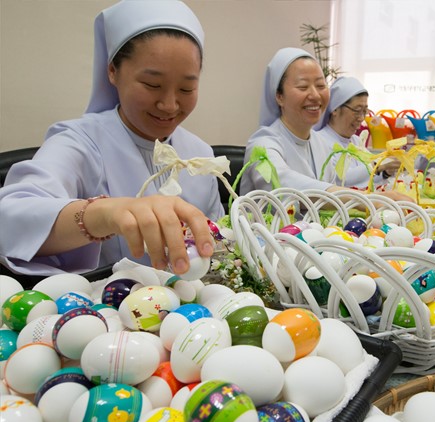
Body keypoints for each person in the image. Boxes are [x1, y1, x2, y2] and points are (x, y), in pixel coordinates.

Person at [0, 0, 222, 277]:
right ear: (113, 71)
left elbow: (217, 240)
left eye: (187, 89)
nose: (169, 105)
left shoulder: (200, 153)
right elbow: (11, 216)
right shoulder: (80, 141)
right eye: (152, 84)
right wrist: (105, 214)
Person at [240, 47, 410, 202]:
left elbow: (334, 189)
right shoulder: (262, 144)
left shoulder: (319, 143)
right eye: (303, 87)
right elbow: (283, 184)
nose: (315, 95)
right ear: (279, 96)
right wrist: (367, 200)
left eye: (321, 85)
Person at [315, 76, 397, 188]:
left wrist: (386, 171)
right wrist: (378, 165)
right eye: (357, 110)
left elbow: (367, 177)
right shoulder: (319, 141)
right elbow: (338, 179)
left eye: (365, 111)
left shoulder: (356, 141)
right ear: (335, 109)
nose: (361, 118)